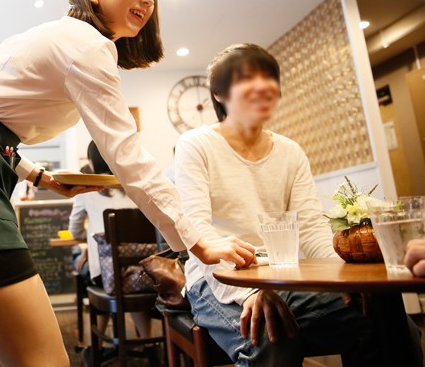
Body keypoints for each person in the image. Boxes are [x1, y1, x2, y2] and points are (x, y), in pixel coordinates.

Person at [0, 0, 256, 367]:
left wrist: (40, 177)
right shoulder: (87, 45)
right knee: (44, 361)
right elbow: (126, 154)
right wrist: (198, 239)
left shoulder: (61, 38)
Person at [175, 43, 422, 366]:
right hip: (217, 281)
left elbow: (311, 229)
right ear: (219, 94)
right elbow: (198, 231)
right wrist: (249, 292)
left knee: (390, 325)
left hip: (283, 276)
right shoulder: (196, 144)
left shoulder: (289, 151)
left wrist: (347, 277)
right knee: (272, 337)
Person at [69, 141, 158, 365]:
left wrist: (88, 245)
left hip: (107, 275)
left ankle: (97, 348)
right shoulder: (138, 186)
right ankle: (150, 347)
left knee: (96, 272)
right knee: (127, 280)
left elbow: (74, 230)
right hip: (144, 274)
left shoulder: (86, 189)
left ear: (92, 162)